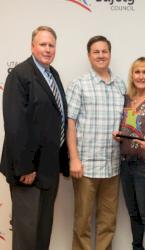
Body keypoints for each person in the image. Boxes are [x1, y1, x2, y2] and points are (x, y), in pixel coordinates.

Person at [0, 26, 69, 250]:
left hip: (49, 169)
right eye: (43, 44)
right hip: (28, 172)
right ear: (32, 46)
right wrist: (24, 168)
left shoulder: (52, 74)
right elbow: (15, 125)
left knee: (42, 234)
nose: (48, 49)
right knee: (26, 237)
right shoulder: (19, 75)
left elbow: (56, 117)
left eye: (51, 45)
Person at [66, 35, 125, 250]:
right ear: (89, 56)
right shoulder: (79, 85)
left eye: (104, 51)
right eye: (96, 52)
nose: (101, 55)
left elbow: (125, 122)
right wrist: (73, 158)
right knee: (82, 224)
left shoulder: (120, 84)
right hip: (86, 167)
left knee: (107, 224)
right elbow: (70, 124)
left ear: (110, 54)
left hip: (112, 166)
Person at [112, 57, 145, 250]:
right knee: (134, 214)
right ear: (132, 75)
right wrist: (119, 136)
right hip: (126, 164)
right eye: (137, 72)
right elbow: (127, 129)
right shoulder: (127, 99)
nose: (141, 76)